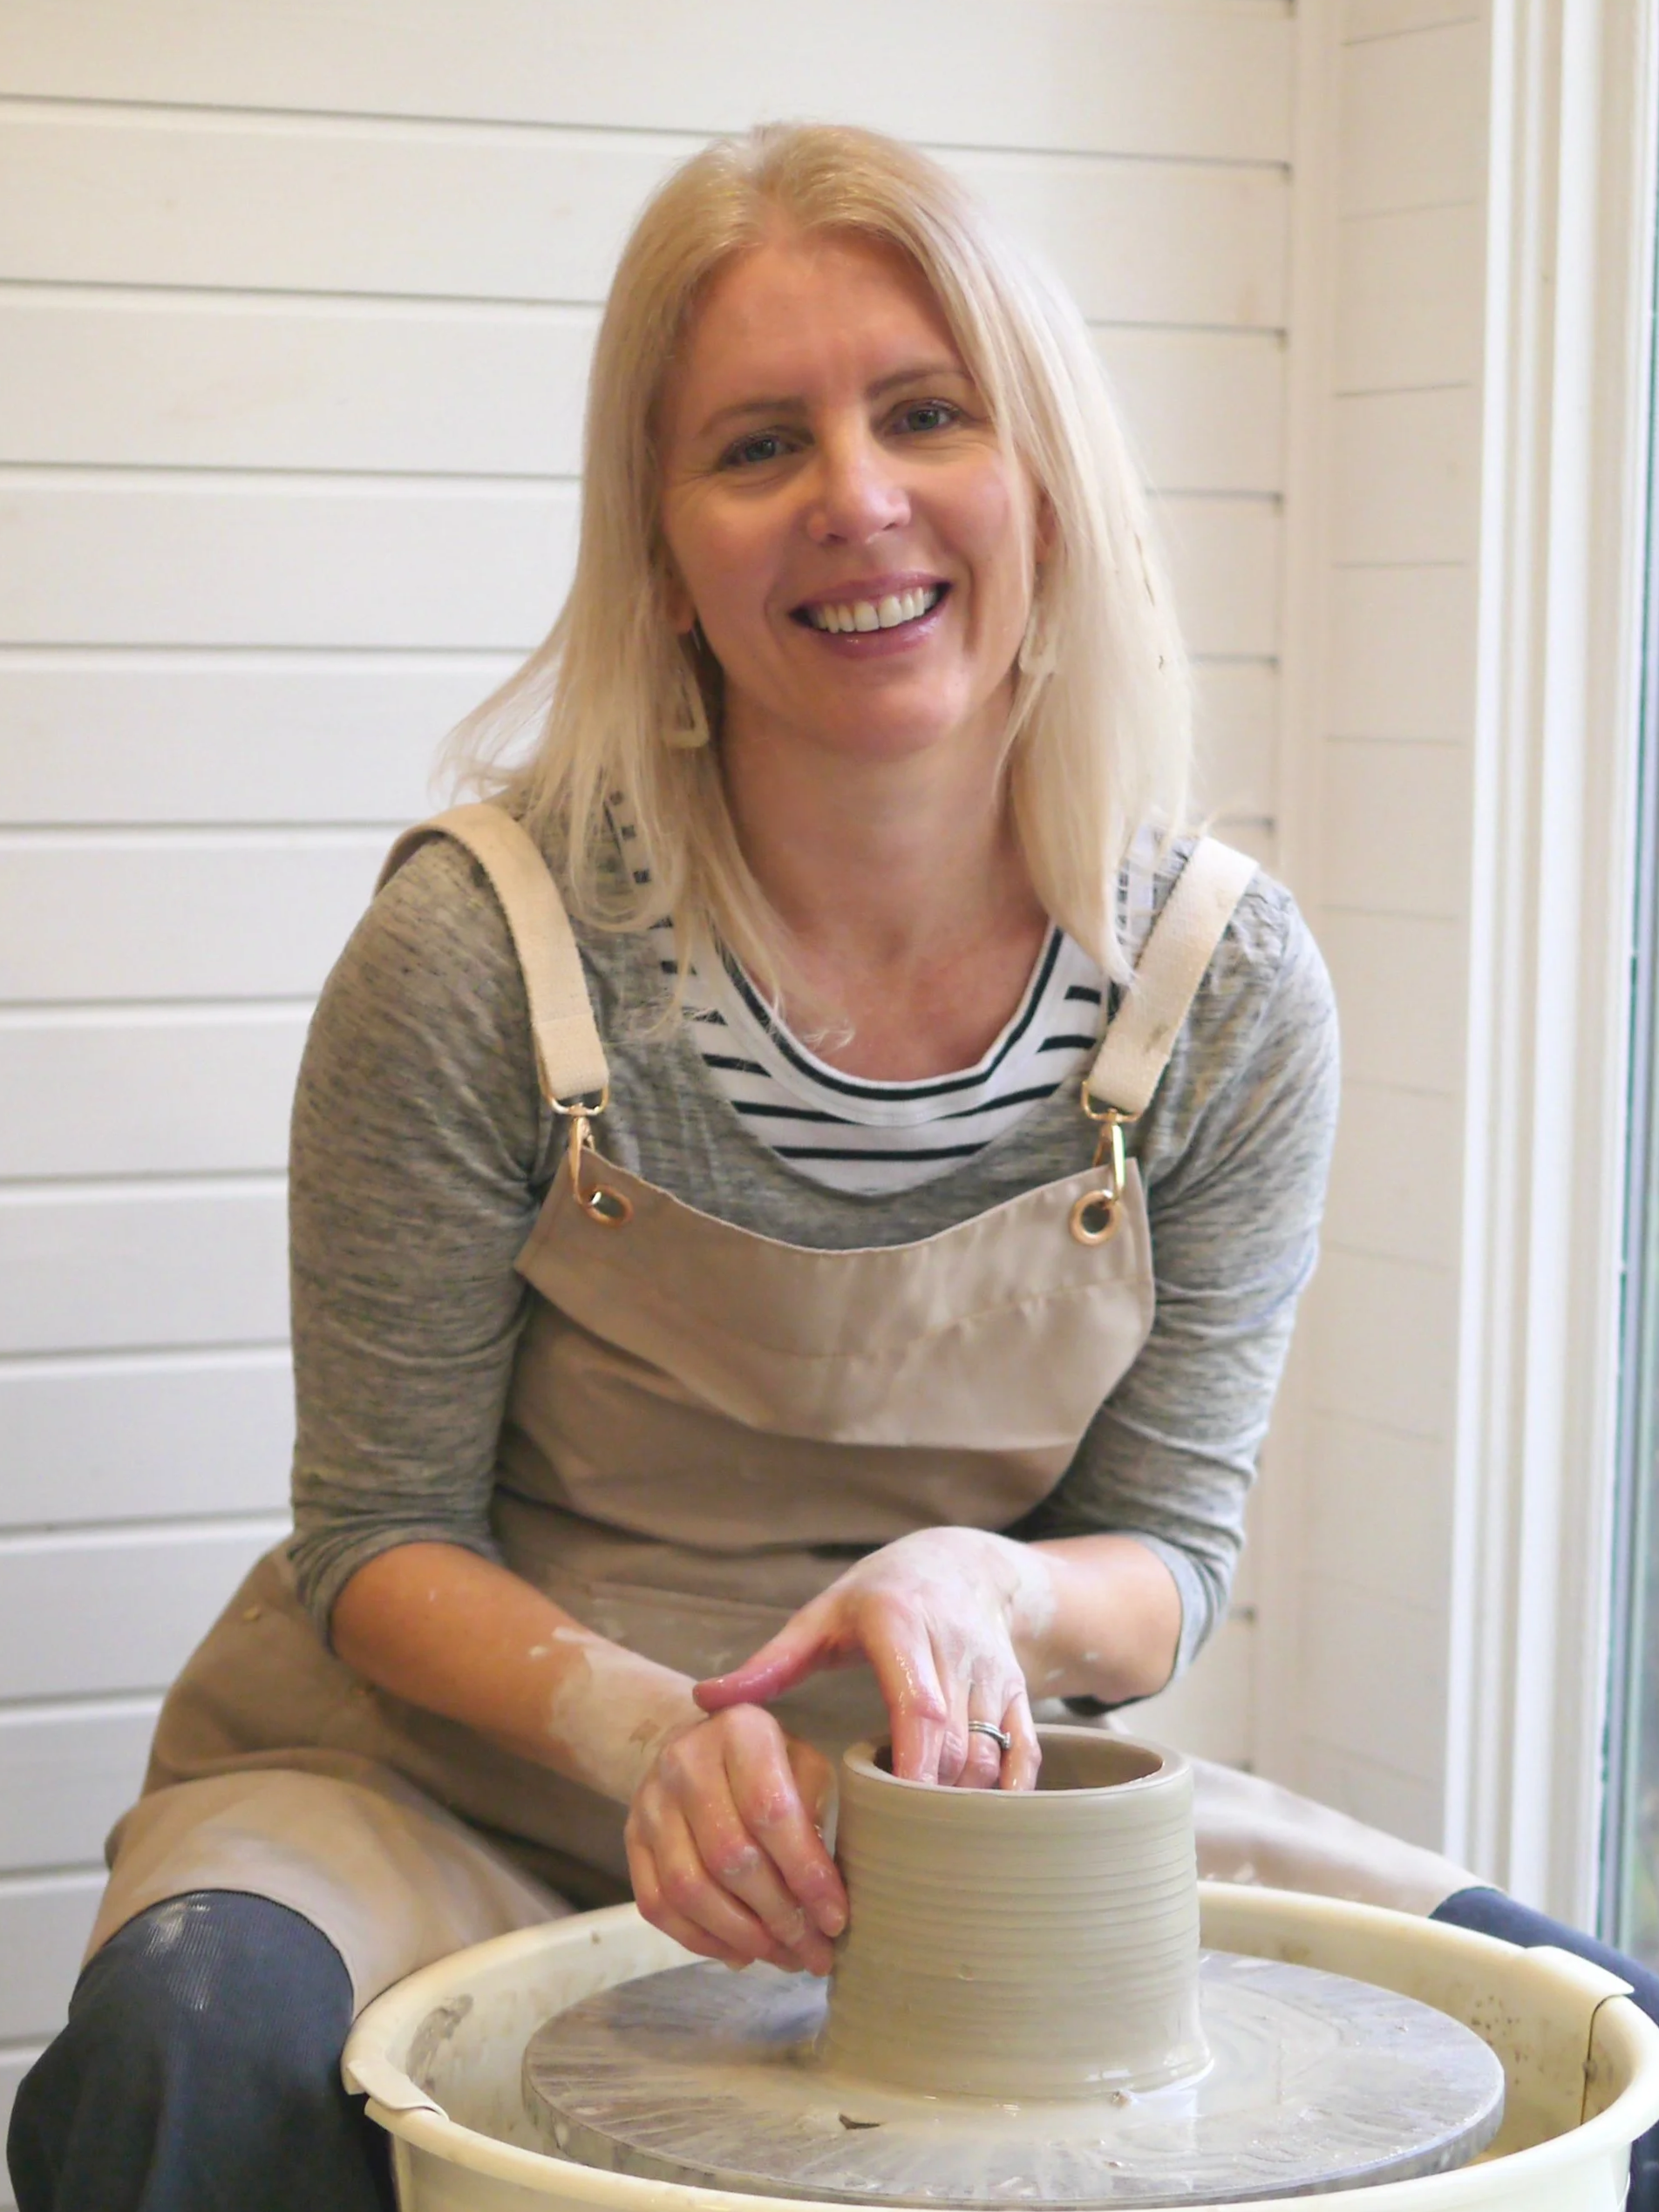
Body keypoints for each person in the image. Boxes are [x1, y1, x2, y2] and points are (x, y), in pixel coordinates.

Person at [10, 120, 1656, 2212]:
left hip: (955, 1803)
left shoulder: (1218, 989)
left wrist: (985, 1584)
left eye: (924, 414)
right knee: (192, 2050)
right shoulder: (480, 953)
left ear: (1040, 477)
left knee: (1597, 2048)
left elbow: (1160, 1561)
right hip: (452, 1775)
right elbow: (377, 1542)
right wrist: (642, 1737)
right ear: (666, 546)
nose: (857, 501)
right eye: (758, 445)